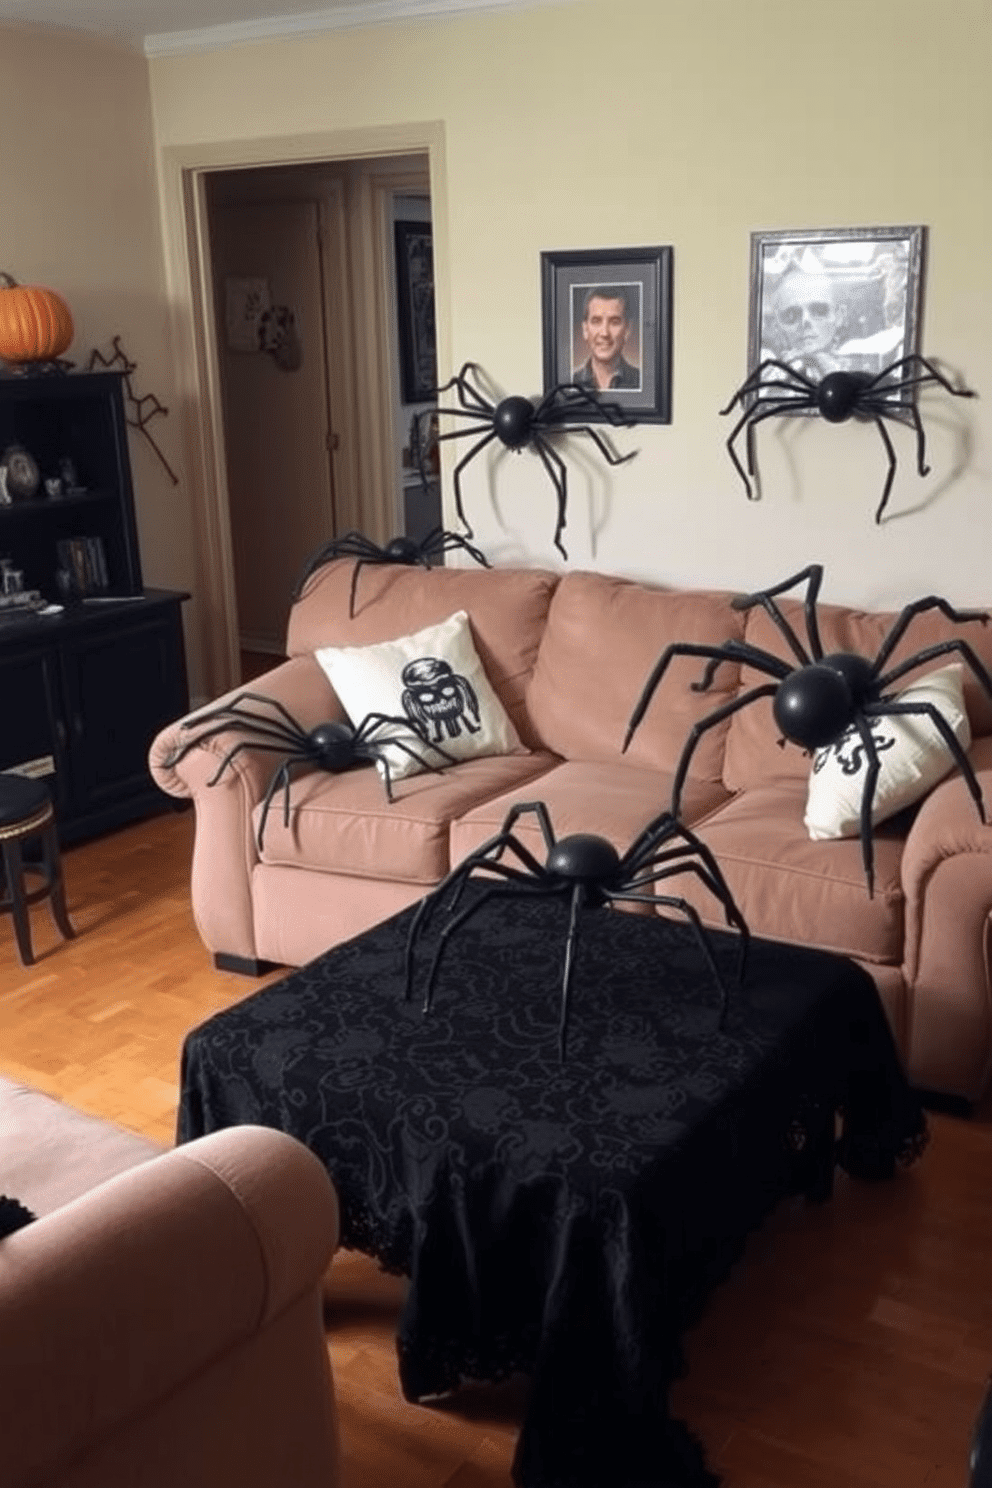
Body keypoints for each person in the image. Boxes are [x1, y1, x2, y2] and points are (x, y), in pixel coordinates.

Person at [571, 285, 641, 392]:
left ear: (627, 329)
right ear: (585, 329)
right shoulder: (571, 384)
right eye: (596, 321)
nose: (604, 333)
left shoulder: (641, 382)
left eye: (614, 322)